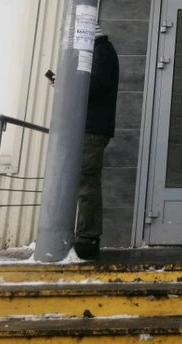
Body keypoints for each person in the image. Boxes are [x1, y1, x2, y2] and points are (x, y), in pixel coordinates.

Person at [74, 28, 119, 260]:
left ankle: (88, 239)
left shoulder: (101, 52)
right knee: (85, 181)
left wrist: (69, 85)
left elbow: (95, 86)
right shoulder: (102, 51)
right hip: (92, 127)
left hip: (93, 129)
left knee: (87, 181)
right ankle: (86, 236)